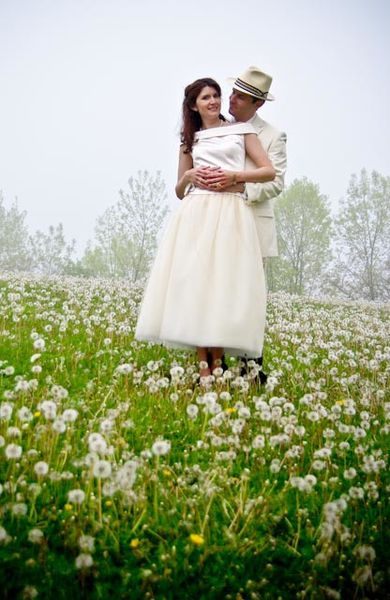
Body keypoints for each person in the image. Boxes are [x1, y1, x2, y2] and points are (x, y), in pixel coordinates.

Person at [135, 77, 275, 382]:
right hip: (196, 213)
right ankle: (204, 369)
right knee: (196, 285)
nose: (213, 102)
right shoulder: (190, 139)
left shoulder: (241, 131)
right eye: (205, 98)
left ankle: (219, 366)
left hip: (230, 212)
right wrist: (191, 176)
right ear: (193, 106)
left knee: (222, 286)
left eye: (216, 96)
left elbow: (268, 171)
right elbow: (178, 188)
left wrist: (233, 176)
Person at [228, 66, 287, 380]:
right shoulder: (216, 127)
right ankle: (217, 364)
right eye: (234, 93)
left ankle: (251, 368)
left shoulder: (273, 136)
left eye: (242, 97)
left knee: (249, 298)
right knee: (217, 291)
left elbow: (276, 182)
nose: (232, 100)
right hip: (217, 223)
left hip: (252, 223)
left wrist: (241, 188)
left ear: (258, 104)